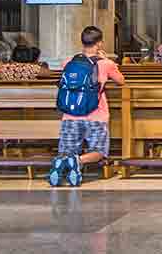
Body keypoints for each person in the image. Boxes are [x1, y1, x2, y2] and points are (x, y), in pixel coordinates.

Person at [48, 25, 124, 187]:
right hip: (96, 114)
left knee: (66, 149)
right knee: (99, 151)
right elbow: (121, 81)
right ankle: (78, 161)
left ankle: (64, 162)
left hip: (69, 115)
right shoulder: (105, 64)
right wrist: (109, 61)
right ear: (99, 43)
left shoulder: (68, 62)